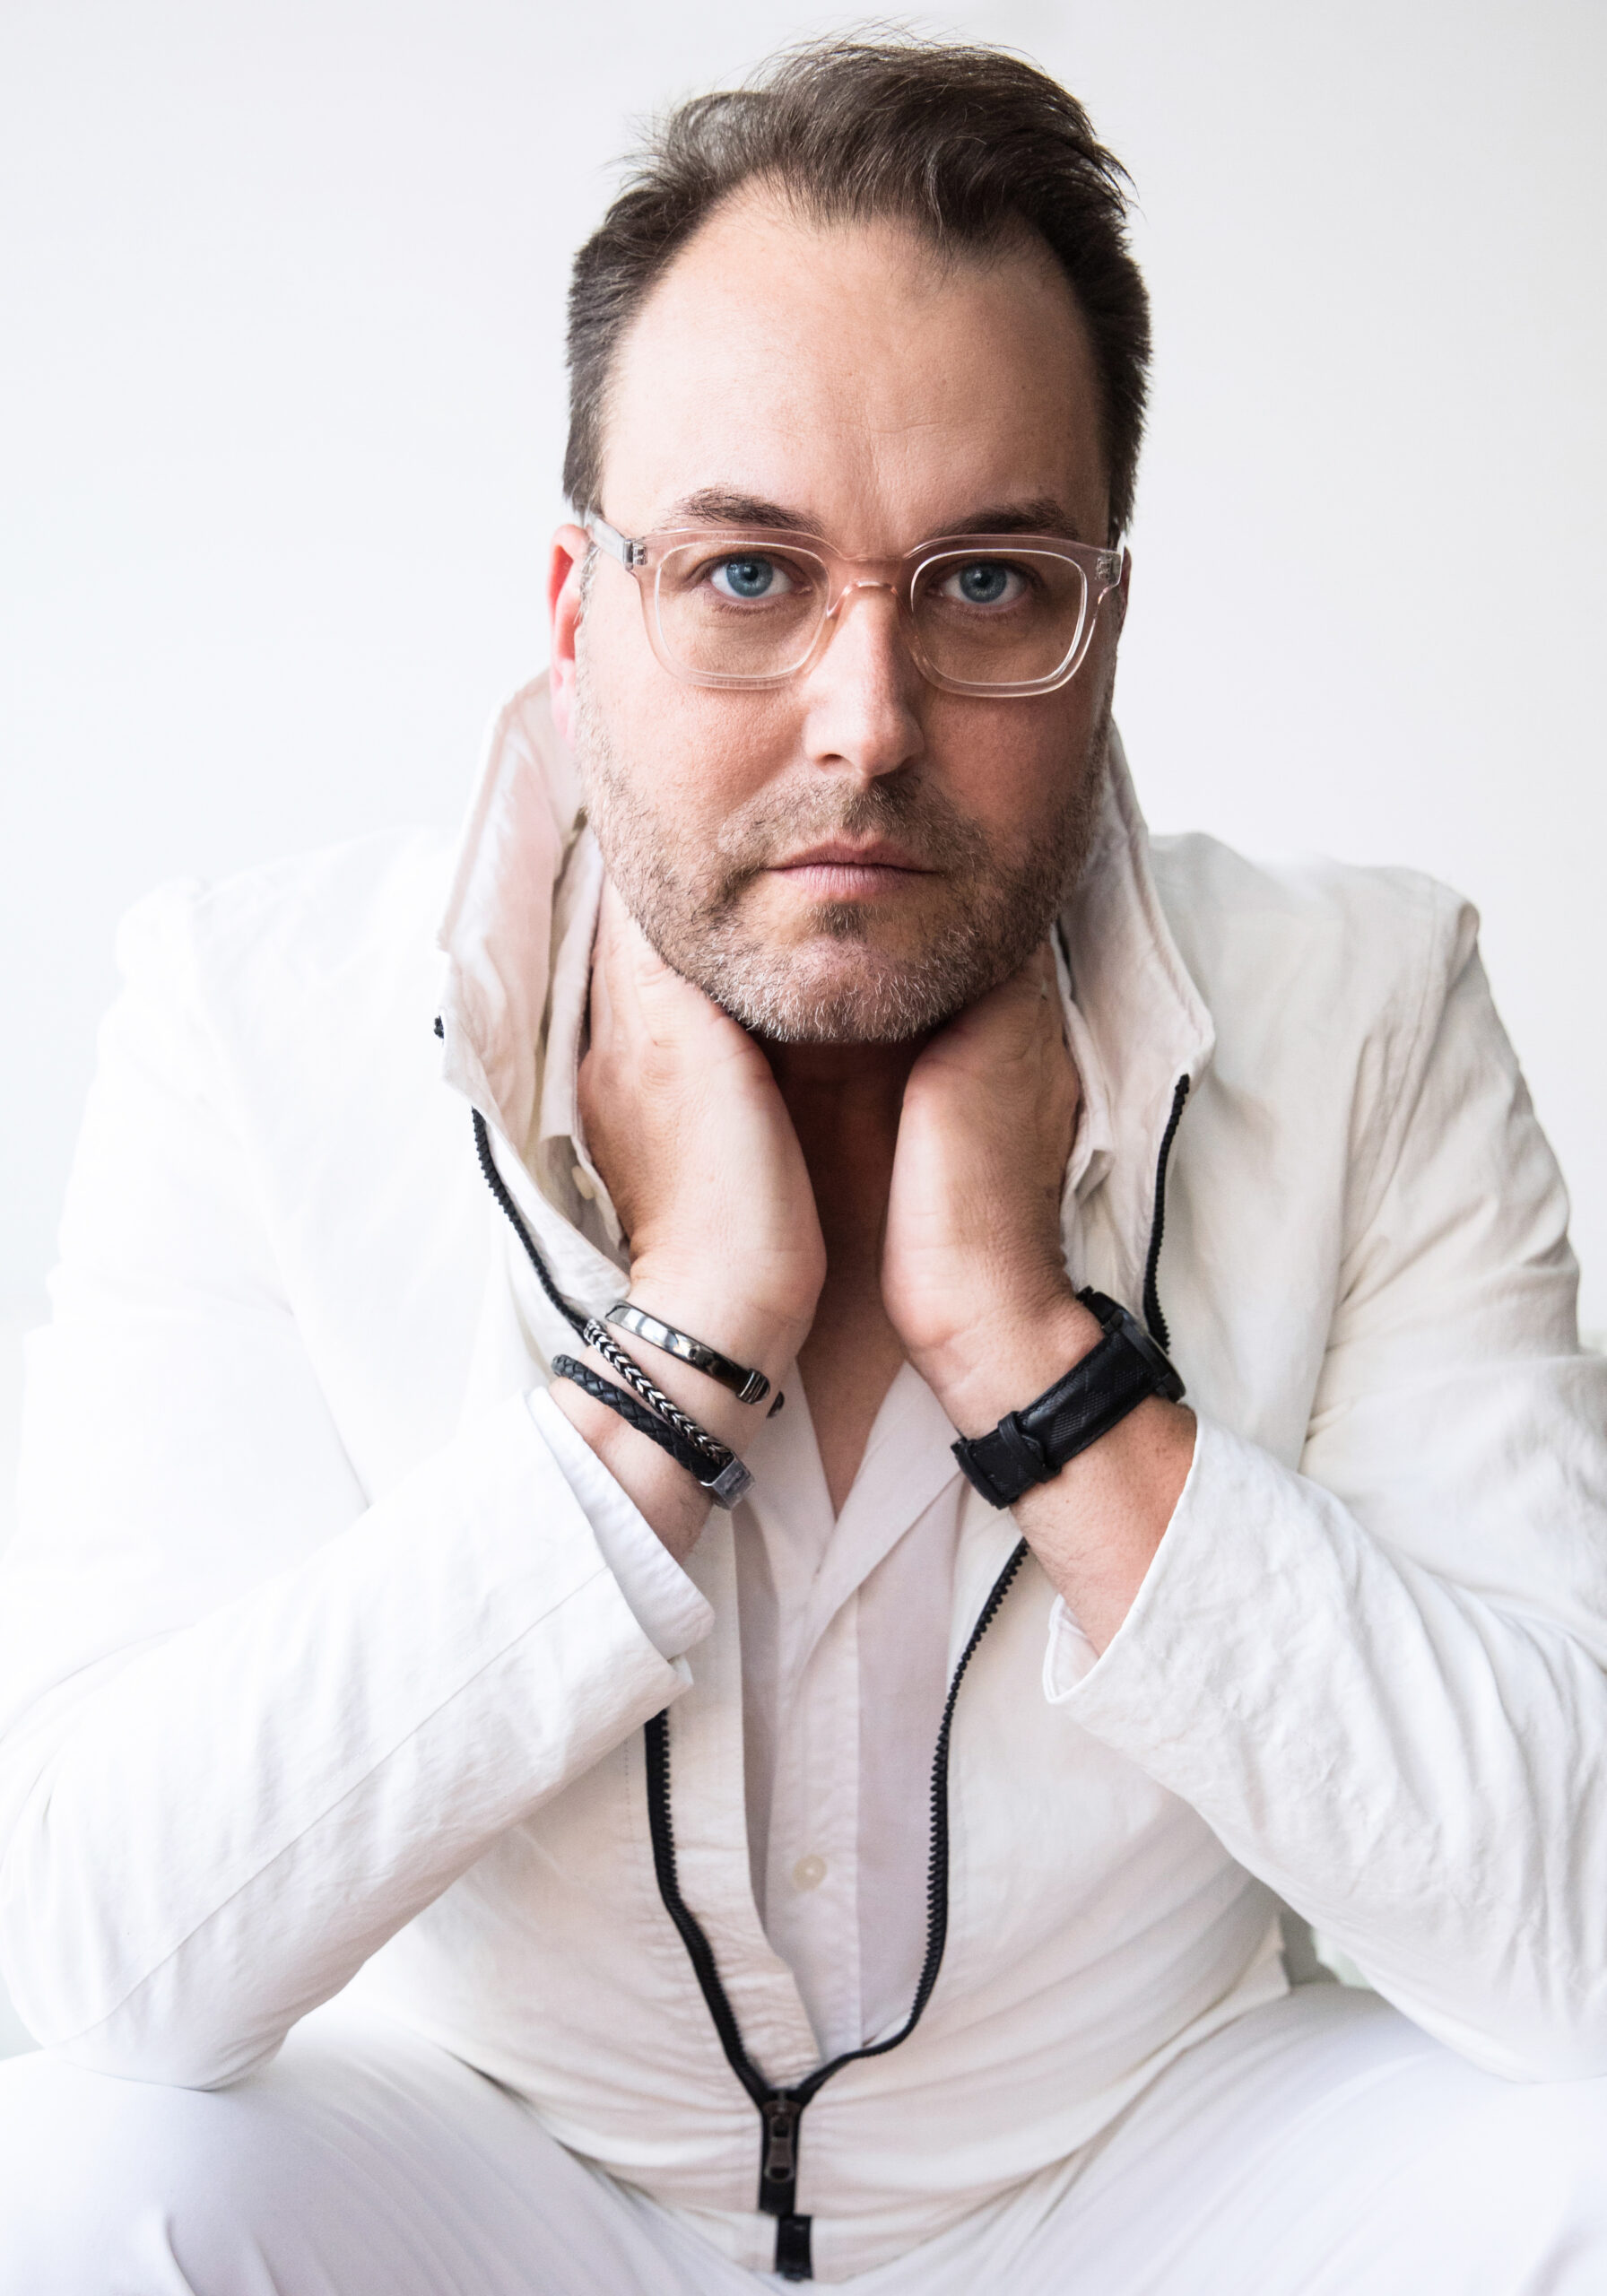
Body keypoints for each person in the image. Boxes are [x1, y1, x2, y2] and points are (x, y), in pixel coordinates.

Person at [2, 35, 1605, 2295]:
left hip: (1135, 2179)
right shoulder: (253, 1023)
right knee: (69, 2180)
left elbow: (1579, 1929)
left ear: (1104, 620)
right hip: (504, 2180)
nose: (865, 712)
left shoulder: (1365, 1007)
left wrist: (1033, 1355)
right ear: (579, 610)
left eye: (979, 584)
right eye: (749, 574)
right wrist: (673, 1357)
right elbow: (98, 1945)